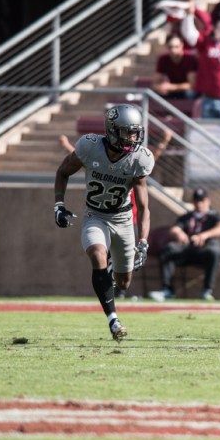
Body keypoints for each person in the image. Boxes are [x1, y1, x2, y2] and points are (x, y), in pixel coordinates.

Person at [54, 104, 154, 341]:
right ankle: (113, 320)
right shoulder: (90, 146)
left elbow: (144, 207)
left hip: (123, 219)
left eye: (135, 132)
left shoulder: (139, 159)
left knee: (124, 282)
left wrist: (143, 240)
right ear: (111, 131)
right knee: (98, 253)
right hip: (95, 215)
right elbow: (63, 172)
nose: (132, 137)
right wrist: (59, 205)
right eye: (127, 132)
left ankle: (113, 268)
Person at [154, 188, 220, 301]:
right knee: (168, 249)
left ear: (208, 201)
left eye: (202, 200)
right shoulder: (187, 217)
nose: (199, 203)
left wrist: (204, 236)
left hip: (205, 250)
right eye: (196, 200)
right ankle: (167, 290)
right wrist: (178, 233)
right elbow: (174, 229)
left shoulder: (214, 216)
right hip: (188, 249)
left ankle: (207, 290)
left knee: (215, 252)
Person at [152, 34, 198, 99]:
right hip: (170, 92)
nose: (173, 50)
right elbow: (156, 83)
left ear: (182, 45)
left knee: (190, 93)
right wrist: (160, 87)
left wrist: (171, 87)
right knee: (154, 94)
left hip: (185, 92)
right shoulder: (163, 59)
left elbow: (192, 85)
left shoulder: (189, 58)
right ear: (166, 46)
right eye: (170, 47)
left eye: (176, 47)